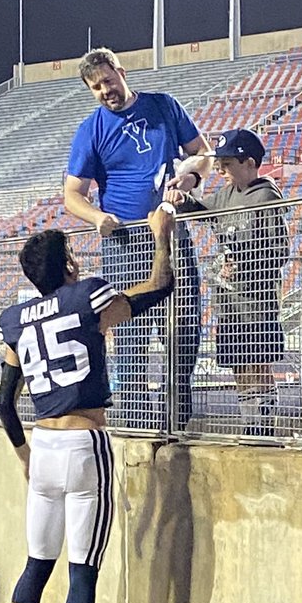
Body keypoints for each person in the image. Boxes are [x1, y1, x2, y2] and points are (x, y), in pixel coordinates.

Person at [0, 207, 176, 603]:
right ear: (69, 265)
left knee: (36, 563)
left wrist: (25, 455)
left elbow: (4, 402)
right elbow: (156, 288)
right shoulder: (85, 295)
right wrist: (162, 239)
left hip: (44, 448)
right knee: (83, 570)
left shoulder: (15, 320)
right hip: (83, 444)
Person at [63, 47, 210, 429]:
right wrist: (97, 217)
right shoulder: (90, 131)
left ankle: (178, 412)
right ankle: (136, 421)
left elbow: (203, 153)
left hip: (169, 232)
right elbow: (71, 195)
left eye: (108, 81)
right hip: (124, 242)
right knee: (129, 334)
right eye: (95, 87)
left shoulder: (164, 106)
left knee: (184, 327)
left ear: (122, 73)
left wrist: (191, 178)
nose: (104, 91)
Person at [166, 128, 288, 437]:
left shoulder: (265, 196)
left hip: (256, 303)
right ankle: (250, 421)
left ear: (248, 163)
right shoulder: (226, 195)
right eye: (218, 164)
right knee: (239, 364)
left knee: (257, 363)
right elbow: (202, 211)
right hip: (229, 303)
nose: (220, 171)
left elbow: (280, 251)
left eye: (227, 164)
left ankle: (264, 425)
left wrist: (244, 264)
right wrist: (183, 198)